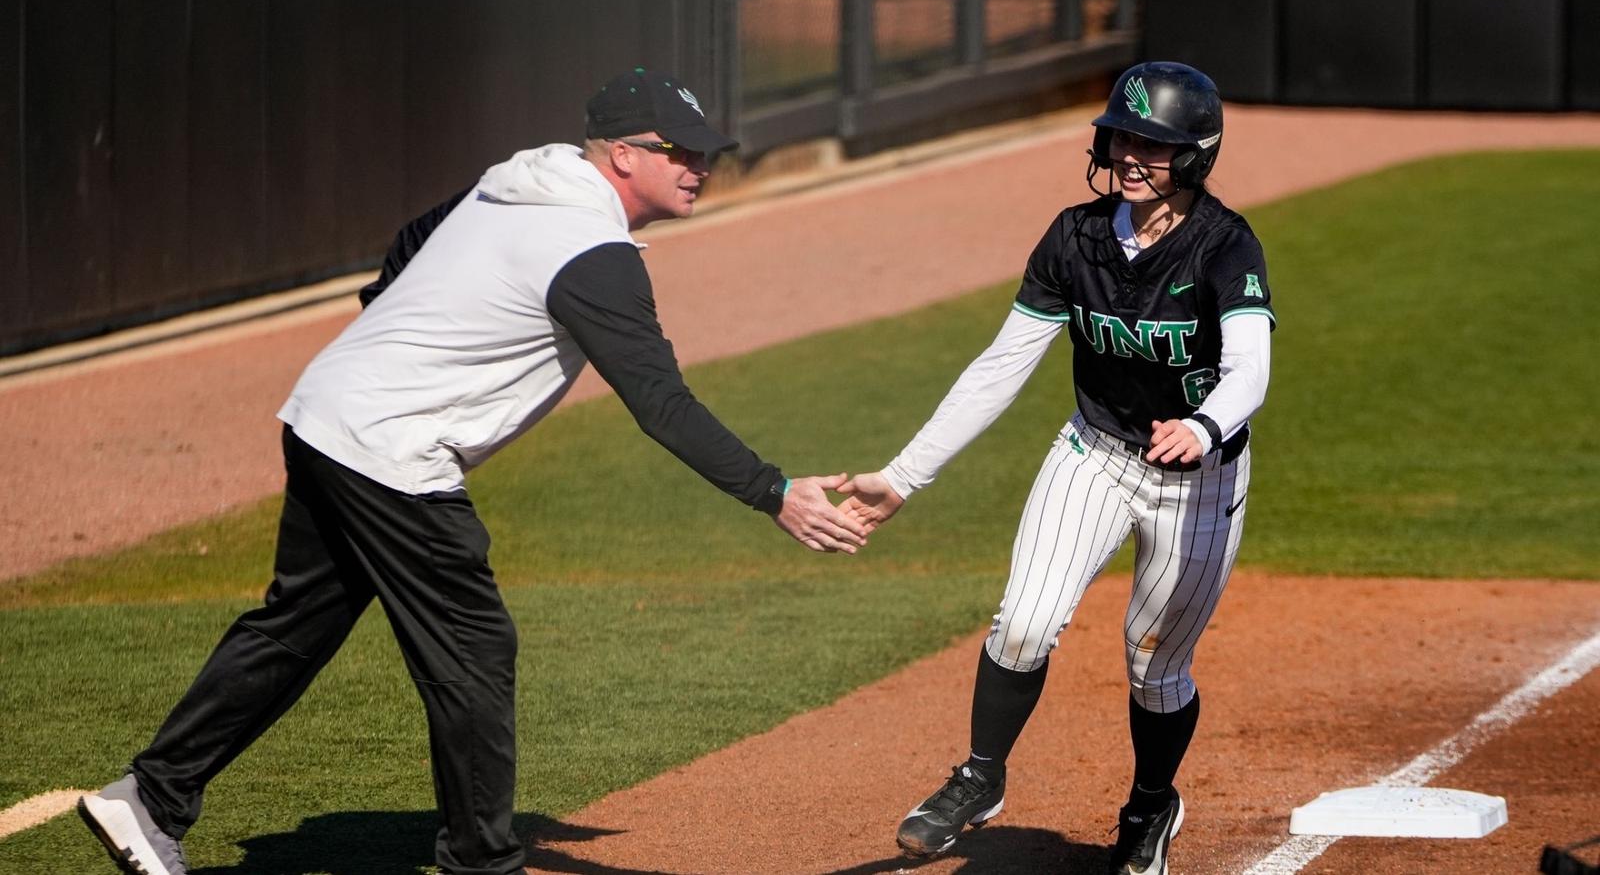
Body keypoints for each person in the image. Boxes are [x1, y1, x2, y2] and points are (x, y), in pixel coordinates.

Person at [77, 67, 869, 875]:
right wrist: (774, 492)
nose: (702, 166)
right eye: (684, 151)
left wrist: (390, 349)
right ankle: (481, 862)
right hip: (391, 453)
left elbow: (409, 241)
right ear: (625, 156)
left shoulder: (515, 182)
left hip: (329, 415)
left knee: (297, 625)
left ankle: (149, 797)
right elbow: (660, 402)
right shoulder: (589, 251)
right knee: (473, 647)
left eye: (709, 152)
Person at [840, 61, 1274, 875]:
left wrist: (1206, 423)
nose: (1129, 154)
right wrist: (903, 475)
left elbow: (1250, 364)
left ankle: (1151, 805)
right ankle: (980, 776)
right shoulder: (1074, 237)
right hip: (1096, 453)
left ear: (1195, 155)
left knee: (1155, 663)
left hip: (1200, 482)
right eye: (1121, 137)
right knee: (1025, 624)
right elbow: (1001, 365)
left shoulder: (1225, 243)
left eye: (1153, 143)